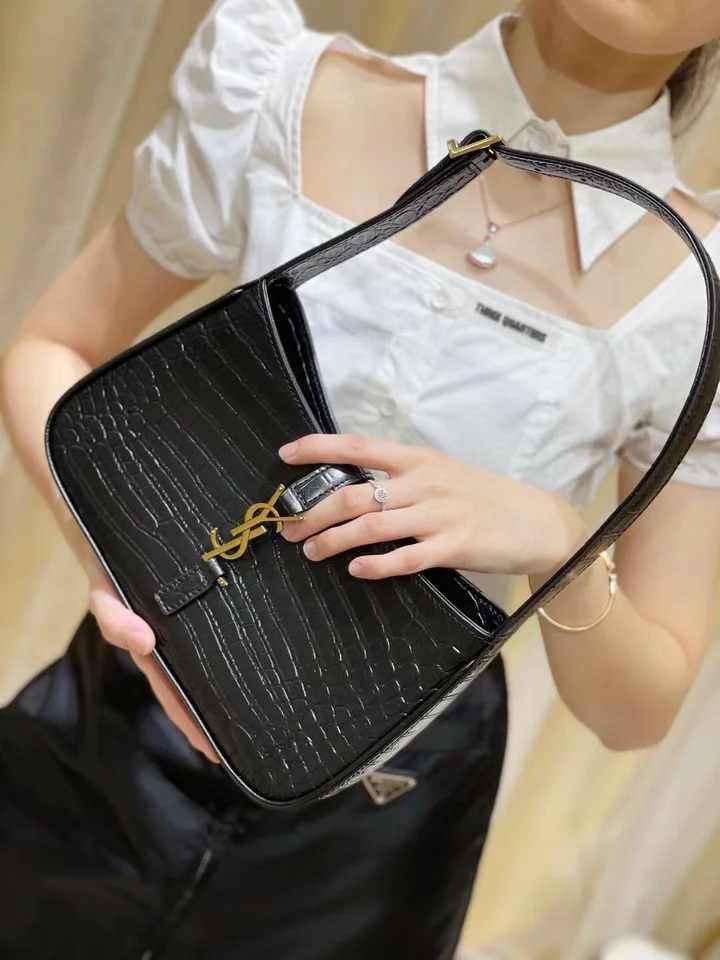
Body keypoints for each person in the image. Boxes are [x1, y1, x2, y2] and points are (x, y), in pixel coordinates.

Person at [1, 0, 720, 957]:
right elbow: (56, 346)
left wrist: (561, 545)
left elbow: (636, 710)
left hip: (380, 826)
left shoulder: (700, 290)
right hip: (132, 707)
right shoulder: (281, 94)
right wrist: (115, 546)